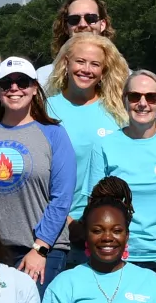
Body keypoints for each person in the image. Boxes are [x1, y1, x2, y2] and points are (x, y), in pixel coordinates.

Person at [0, 57, 74, 284]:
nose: (14, 88)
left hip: (40, 250)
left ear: (34, 88)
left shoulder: (54, 134)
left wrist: (40, 247)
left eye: (22, 82)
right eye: (6, 83)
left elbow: (62, 197)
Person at [82, 70, 156, 290]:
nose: (142, 103)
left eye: (151, 97)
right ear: (125, 100)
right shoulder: (104, 146)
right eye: (135, 96)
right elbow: (94, 210)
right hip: (117, 256)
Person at [44, 34, 130, 270]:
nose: (86, 70)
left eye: (95, 64)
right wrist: (68, 223)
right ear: (66, 63)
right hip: (54, 230)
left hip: (105, 234)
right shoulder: (44, 108)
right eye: (80, 62)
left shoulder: (119, 112)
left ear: (104, 71)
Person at [33, 0, 118, 84]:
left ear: (102, 24)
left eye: (90, 18)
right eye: (74, 19)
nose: (82, 24)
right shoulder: (43, 77)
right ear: (66, 27)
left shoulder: (124, 77)